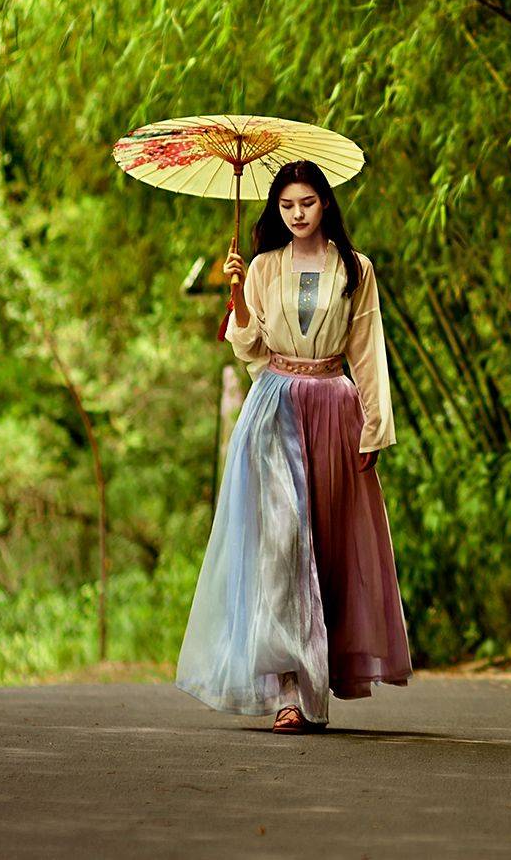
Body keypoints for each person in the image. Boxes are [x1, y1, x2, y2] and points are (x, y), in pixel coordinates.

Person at [175, 158, 412, 732]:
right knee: (281, 547)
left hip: (333, 406)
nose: (297, 214)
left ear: (324, 203)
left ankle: (312, 684)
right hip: (274, 409)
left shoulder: (355, 268)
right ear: (276, 211)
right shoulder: (262, 267)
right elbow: (251, 348)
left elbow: (367, 346)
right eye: (286, 206)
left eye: (306, 202)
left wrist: (375, 424)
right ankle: (286, 691)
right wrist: (237, 293)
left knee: (324, 548)